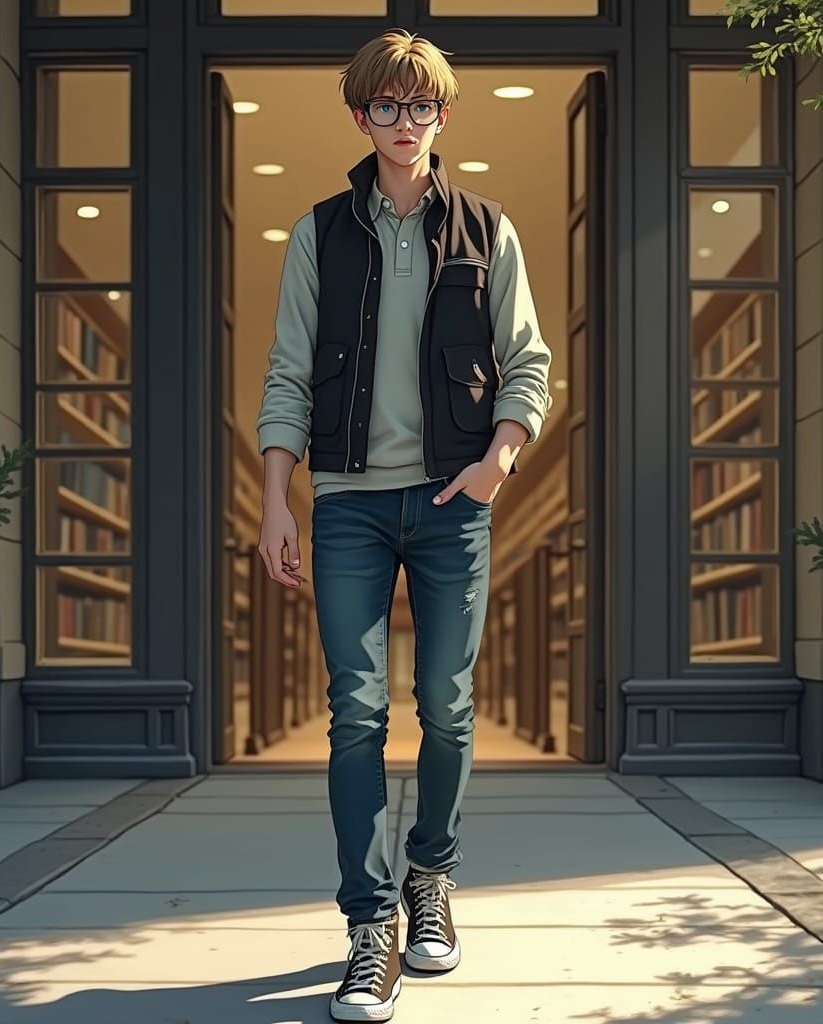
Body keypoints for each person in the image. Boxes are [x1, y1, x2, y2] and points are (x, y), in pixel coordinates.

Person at [255, 28, 553, 1022]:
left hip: (446, 504)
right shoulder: (319, 234)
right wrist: (275, 501)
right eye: (384, 105)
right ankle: (367, 927)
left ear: (441, 115)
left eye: (418, 105)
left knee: (447, 702)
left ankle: (432, 877)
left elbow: (528, 362)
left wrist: (494, 466)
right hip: (343, 504)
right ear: (360, 116)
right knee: (355, 710)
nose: (402, 121)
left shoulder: (485, 229)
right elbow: (288, 375)